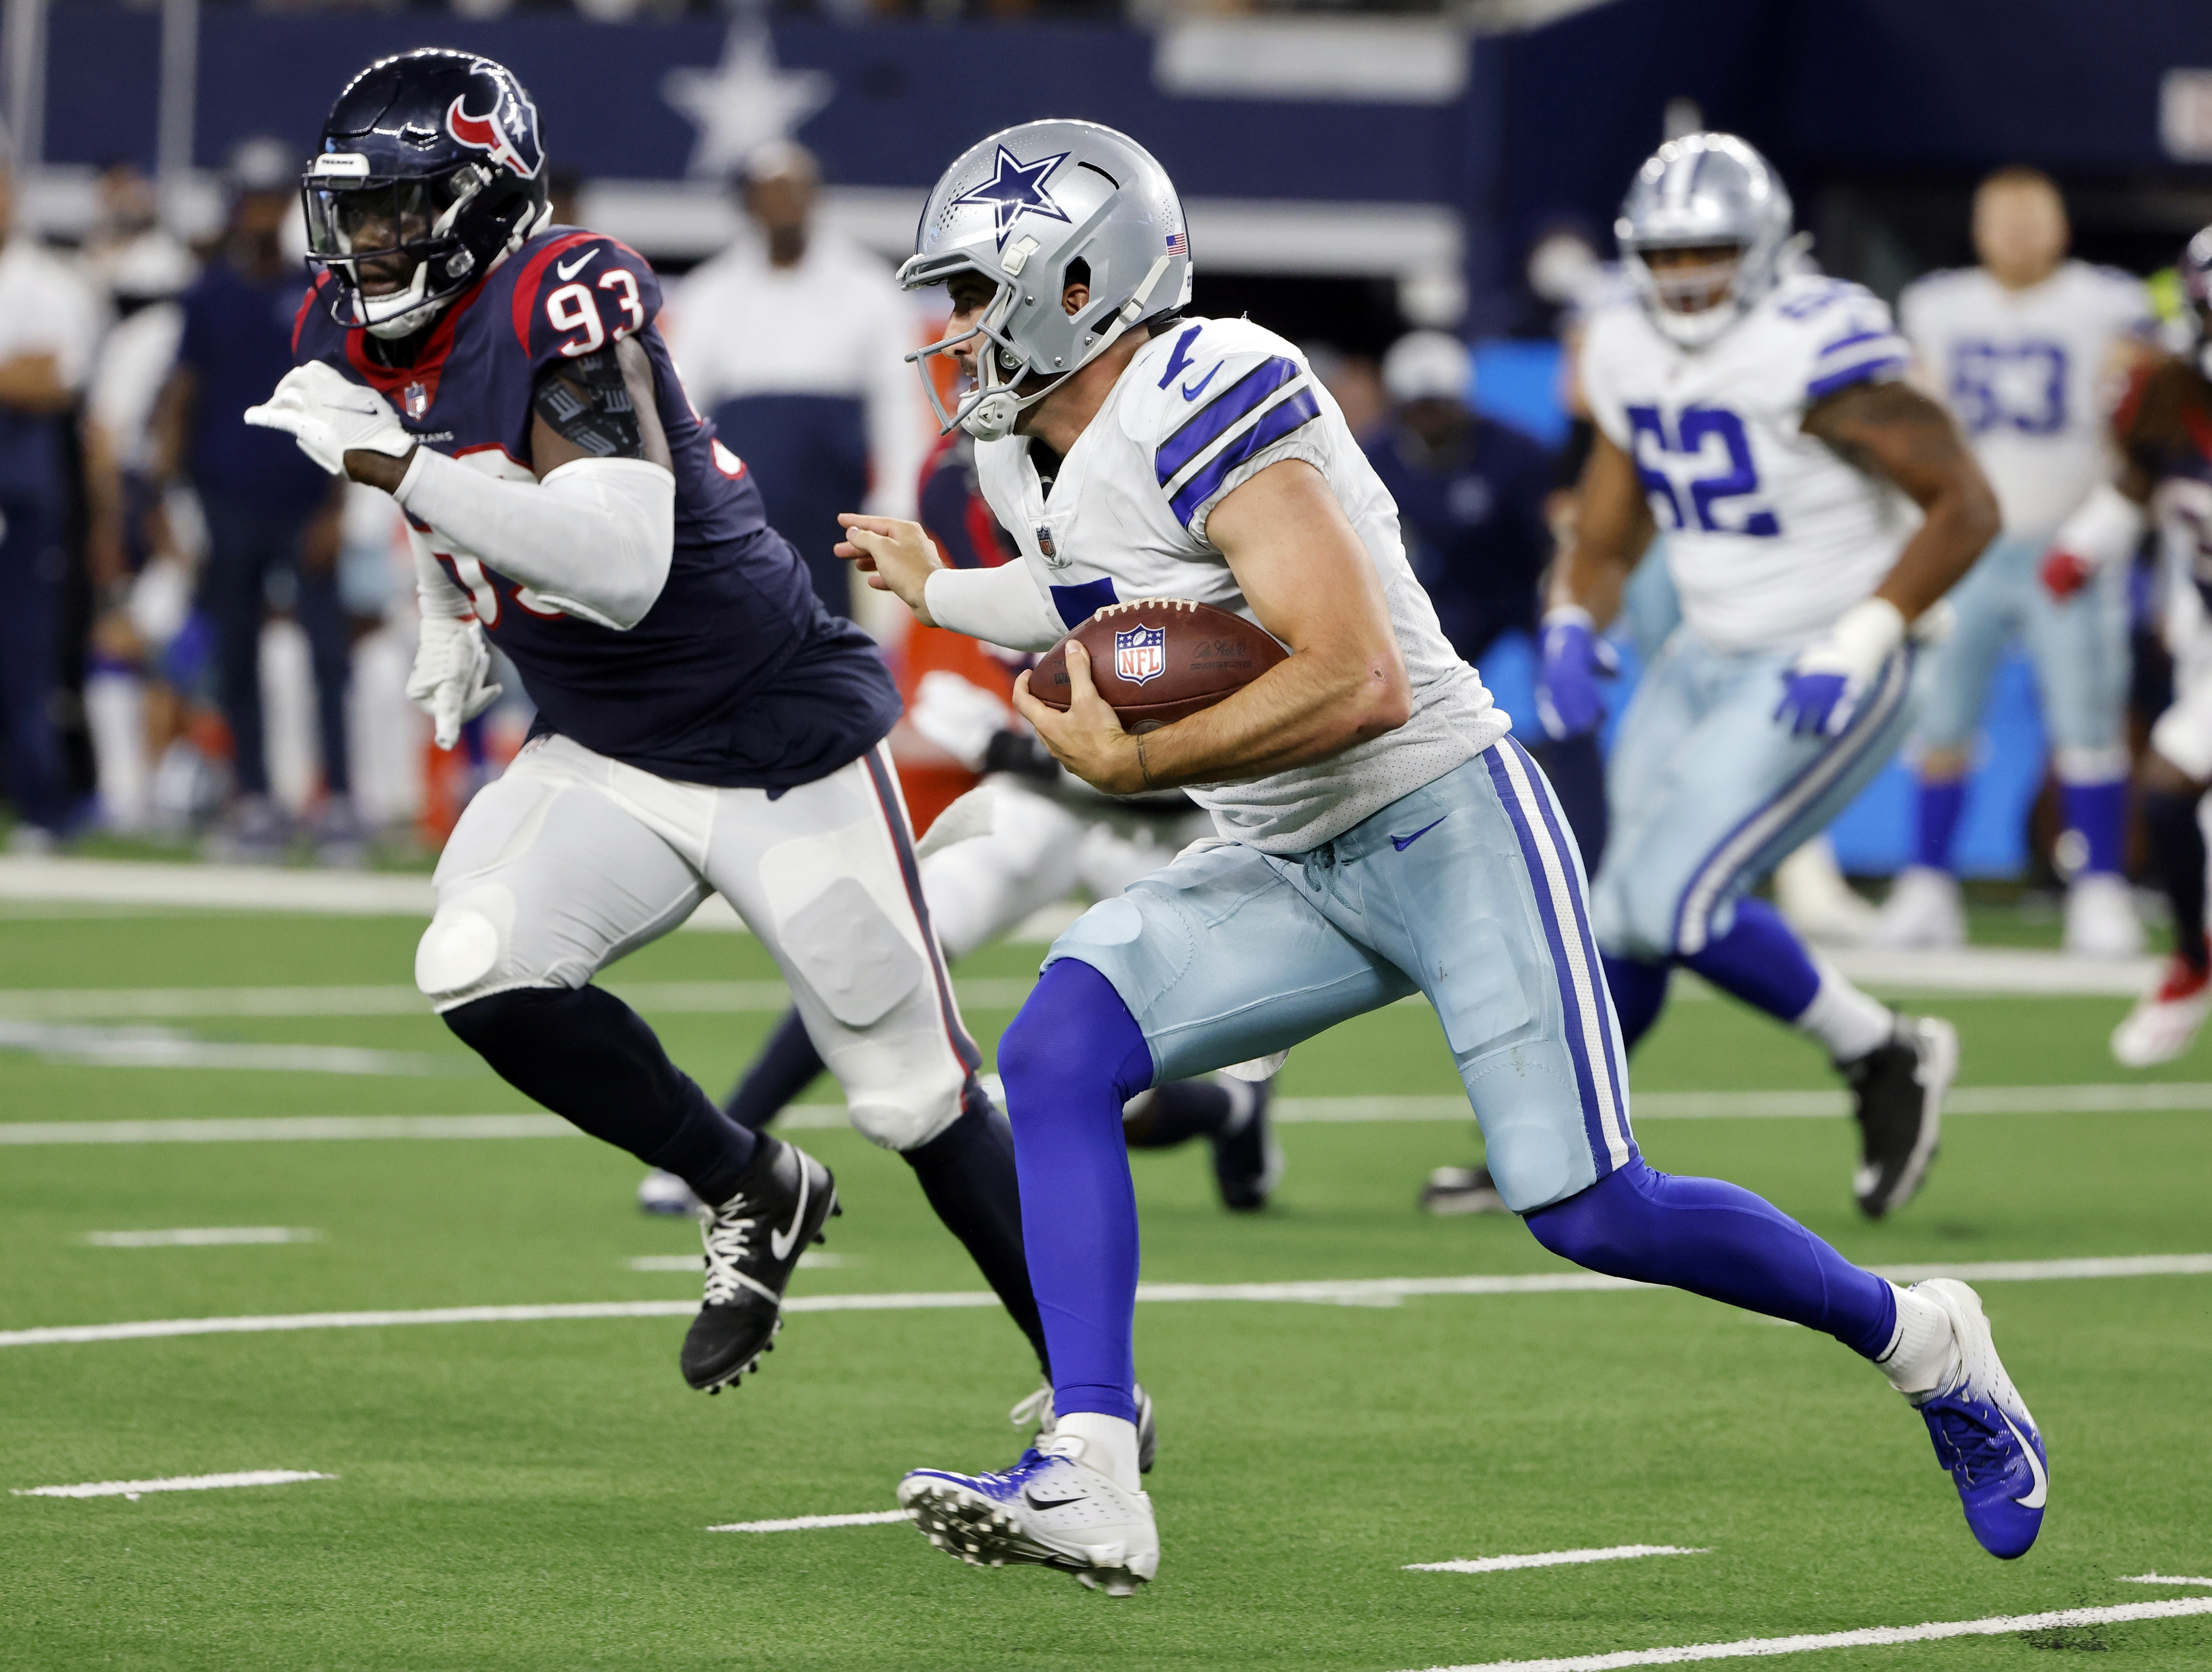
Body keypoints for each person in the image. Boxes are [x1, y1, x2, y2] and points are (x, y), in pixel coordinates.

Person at [841, 120, 2046, 1592]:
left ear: (1074, 279)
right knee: (1055, 1052)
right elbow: (1098, 586)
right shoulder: (1035, 449)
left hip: (1436, 815)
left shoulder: (1210, 387)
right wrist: (941, 583)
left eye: (976, 292)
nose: (952, 328)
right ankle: (1093, 1463)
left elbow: (1357, 681)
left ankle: (1925, 1341)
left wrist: (1133, 762)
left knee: (1594, 1208)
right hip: (1287, 853)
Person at [247, 49, 1046, 1402]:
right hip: (611, 748)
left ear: (486, 201)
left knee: (912, 1092)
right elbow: (449, 467)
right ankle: (750, 1180)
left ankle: (1088, 1387)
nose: (368, 242)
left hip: (772, 736)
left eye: (400, 209)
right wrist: (452, 607)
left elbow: (616, 567)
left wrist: (394, 465)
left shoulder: (568, 295)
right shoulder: (350, 332)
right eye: (358, 211)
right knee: (478, 959)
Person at [640, 434, 1279, 1227]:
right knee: (893, 944)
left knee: (1143, 1073)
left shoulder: (1163, 504)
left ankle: (1231, 1113)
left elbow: (1197, 730)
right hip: (1049, 797)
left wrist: (1016, 747)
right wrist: (1021, 747)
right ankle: (731, 1145)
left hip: (1178, 811)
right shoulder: (957, 494)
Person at [1544, 134, 1991, 1223]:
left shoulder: (1814, 340)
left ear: (1762, 248)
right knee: (1612, 920)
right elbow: (1609, 528)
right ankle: (1561, 1144)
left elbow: (1967, 505)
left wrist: (1868, 631)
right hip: (1704, 651)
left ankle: (1883, 1049)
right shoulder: (1625, 348)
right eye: (1664, 254)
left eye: (1708, 250)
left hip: (1821, 657)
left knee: (1677, 899)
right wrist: (1569, 618)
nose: (1685, 275)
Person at [1873, 168, 2155, 956]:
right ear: (1977, 227)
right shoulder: (1937, 305)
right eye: (2004, 220)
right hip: (1966, 540)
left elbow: (2142, 408)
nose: (2020, 234)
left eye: (2034, 219)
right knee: (1942, 719)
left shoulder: (2108, 302)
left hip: (2069, 539)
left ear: (2061, 226)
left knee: (2087, 723)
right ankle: (1926, 884)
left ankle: (2100, 889)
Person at [155, 137, 358, 863]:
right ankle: (256, 799)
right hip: (229, 502)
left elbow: (350, 401)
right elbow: (181, 399)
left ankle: (337, 799)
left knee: (327, 659)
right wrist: (173, 502)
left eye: (275, 199)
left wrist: (338, 507)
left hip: (305, 501)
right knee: (237, 658)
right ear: (237, 206)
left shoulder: (320, 295)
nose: (263, 212)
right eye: (254, 198)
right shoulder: (208, 295)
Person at [664, 141, 928, 619]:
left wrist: (897, 498)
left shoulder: (868, 289)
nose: (782, 206)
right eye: (769, 193)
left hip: (835, 510)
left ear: (814, 197)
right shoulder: (710, 293)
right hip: (740, 506)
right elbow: (681, 405)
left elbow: (899, 404)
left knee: (833, 628)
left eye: (793, 192)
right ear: (748, 203)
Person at [2064, 229, 2212, 1064]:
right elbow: (2132, 488)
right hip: (2206, 640)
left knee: (2171, 786)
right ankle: (2192, 959)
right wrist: (2080, 549)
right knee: (2168, 794)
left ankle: (2193, 962)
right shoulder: (2166, 396)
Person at [0, 154, 103, 848]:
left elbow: (54, 382)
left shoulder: (47, 282)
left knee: (23, 657)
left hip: (24, 494)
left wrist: (21, 377)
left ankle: (45, 800)